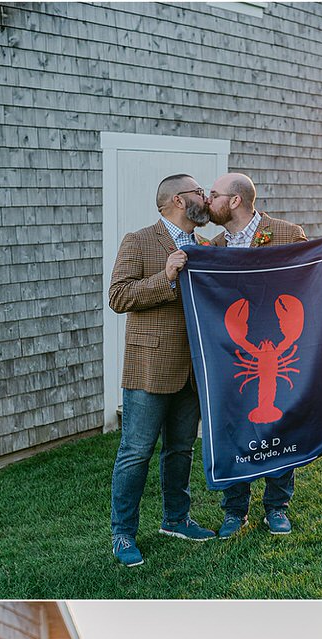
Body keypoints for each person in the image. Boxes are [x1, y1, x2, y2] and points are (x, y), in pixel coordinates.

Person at [206, 173, 322, 539]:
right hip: (234, 349)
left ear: (235, 200)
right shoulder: (213, 245)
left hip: (283, 341)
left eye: (213, 195)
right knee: (233, 428)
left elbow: (316, 282)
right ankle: (234, 510)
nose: (208, 201)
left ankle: (276, 507)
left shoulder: (286, 233)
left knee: (281, 427)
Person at [107, 174, 217, 567]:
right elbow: (118, 296)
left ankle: (176, 519)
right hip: (149, 367)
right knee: (135, 453)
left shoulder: (204, 246)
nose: (206, 197)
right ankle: (123, 534)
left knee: (181, 450)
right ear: (176, 200)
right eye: (199, 192)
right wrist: (165, 276)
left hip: (192, 369)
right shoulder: (138, 240)